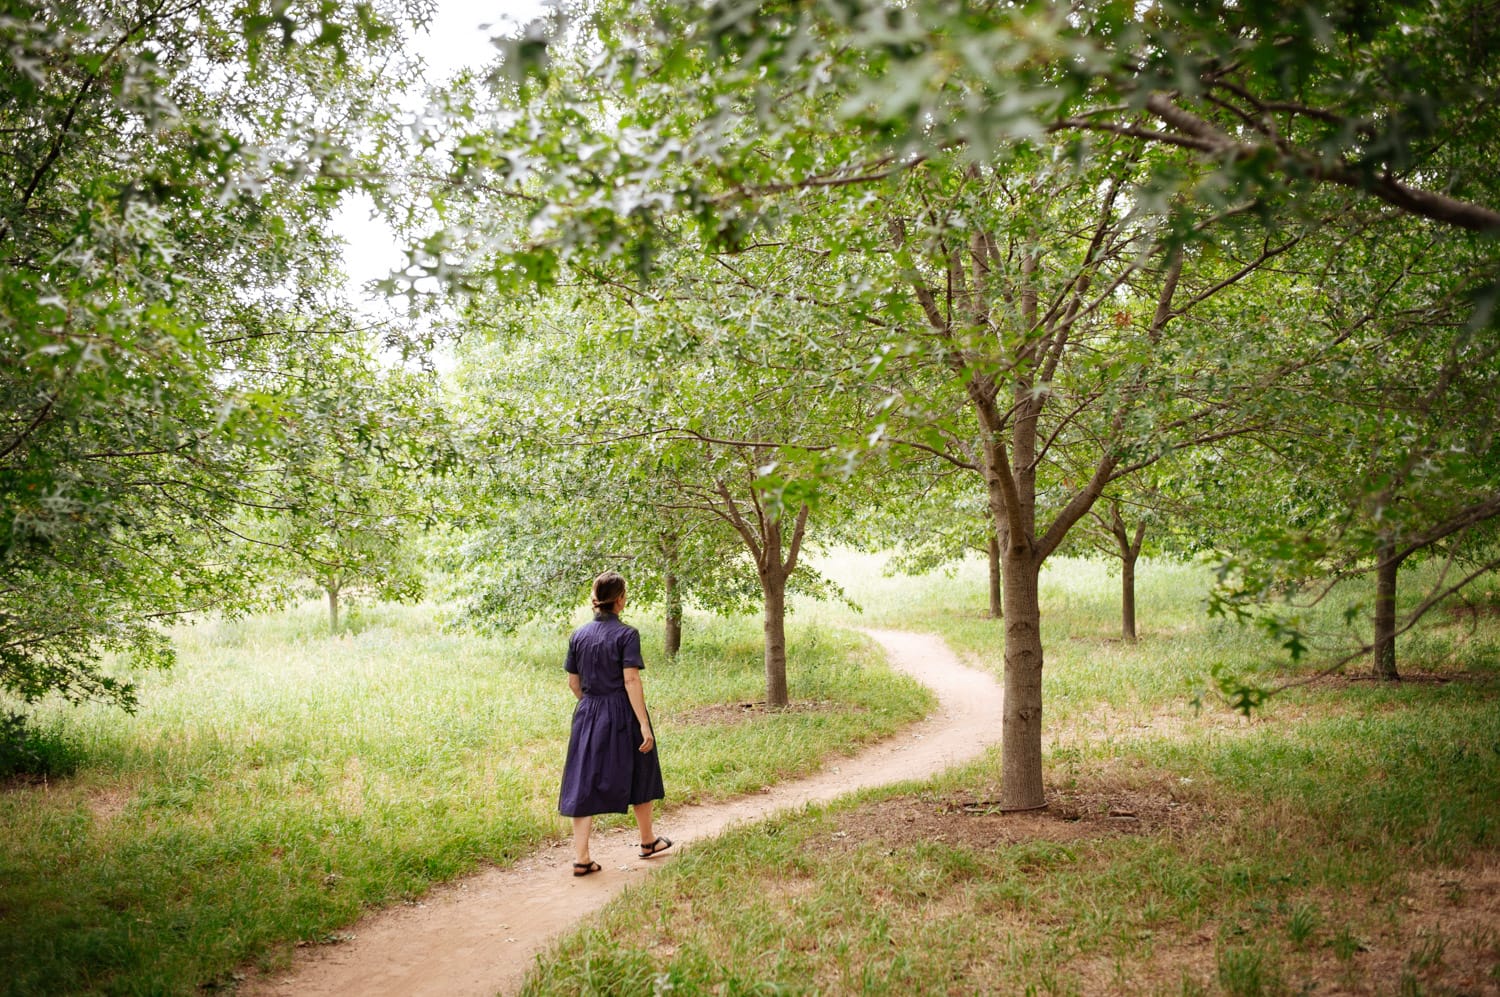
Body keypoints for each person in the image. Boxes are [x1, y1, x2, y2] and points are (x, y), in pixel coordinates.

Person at [557, 571, 670, 875]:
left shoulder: (578, 635)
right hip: (622, 711)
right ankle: (647, 841)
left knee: (583, 779)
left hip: (588, 712)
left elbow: (572, 683)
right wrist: (644, 724)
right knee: (640, 769)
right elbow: (631, 679)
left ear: (595, 598)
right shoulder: (627, 634)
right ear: (621, 599)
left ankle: (581, 857)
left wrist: (591, 705)